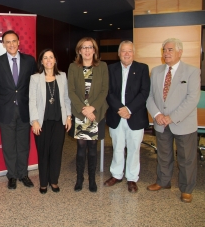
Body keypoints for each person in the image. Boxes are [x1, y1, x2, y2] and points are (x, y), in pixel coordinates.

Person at [146, 38, 200, 203]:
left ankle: (186, 189)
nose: (166, 53)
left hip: (182, 123)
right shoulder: (156, 71)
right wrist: (157, 115)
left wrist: (172, 117)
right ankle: (163, 181)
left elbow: (192, 99)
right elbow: (150, 97)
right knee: (163, 155)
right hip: (161, 123)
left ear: (180, 52)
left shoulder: (191, 71)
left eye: (170, 50)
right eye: (164, 50)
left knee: (186, 158)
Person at [0, 30, 37, 190]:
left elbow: (35, 86)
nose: (11, 44)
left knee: (23, 145)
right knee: (9, 146)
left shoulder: (30, 61)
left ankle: (23, 174)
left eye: (14, 41)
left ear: (19, 42)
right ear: (3, 44)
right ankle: (12, 175)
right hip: (6, 110)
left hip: (25, 110)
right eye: (8, 42)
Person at [104, 41, 150, 193]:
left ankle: (131, 178)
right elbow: (108, 92)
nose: (126, 53)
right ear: (119, 53)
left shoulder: (142, 68)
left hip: (135, 115)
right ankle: (116, 174)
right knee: (117, 146)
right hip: (116, 115)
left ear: (134, 53)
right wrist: (120, 109)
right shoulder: (111, 69)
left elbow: (144, 92)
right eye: (123, 51)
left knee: (134, 148)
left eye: (129, 51)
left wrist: (129, 109)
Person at [68, 37, 109, 193]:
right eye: (83, 47)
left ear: (94, 50)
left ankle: (92, 180)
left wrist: (92, 108)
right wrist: (83, 109)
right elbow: (71, 91)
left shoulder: (103, 66)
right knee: (80, 148)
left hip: (96, 112)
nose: (87, 50)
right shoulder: (73, 67)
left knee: (93, 147)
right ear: (79, 51)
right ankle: (80, 179)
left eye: (89, 47)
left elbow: (104, 90)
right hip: (80, 113)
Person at [29, 49, 71, 194]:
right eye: (45, 58)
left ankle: (54, 180)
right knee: (43, 153)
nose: (48, 60)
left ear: (55, 60)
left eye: (51, 57)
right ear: (41, 61)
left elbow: (66, 99)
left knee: (56, 152)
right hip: (42, 122)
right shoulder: (35, 78)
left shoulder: (62, 76)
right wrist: (34, 120)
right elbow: (32, 101)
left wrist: (69, 116)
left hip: (59, 121)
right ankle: (43, 182)